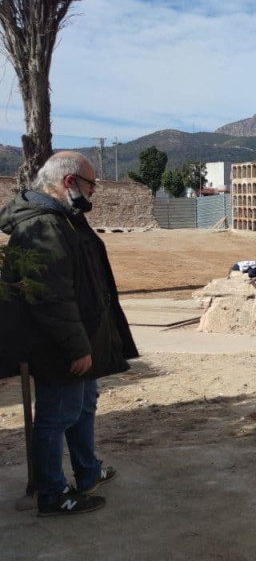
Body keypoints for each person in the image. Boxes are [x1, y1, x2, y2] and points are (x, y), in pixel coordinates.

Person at [0, 151, 139, 517]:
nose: (93, 192)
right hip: (59, 346)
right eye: (91, 184)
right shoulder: (43, 226)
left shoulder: (64, 219)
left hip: (81, 339)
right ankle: (52, 493)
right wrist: (77, 348)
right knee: (57, 416)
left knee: (82, 408)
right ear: (69, 182)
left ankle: (87, 471)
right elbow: (51, 298)